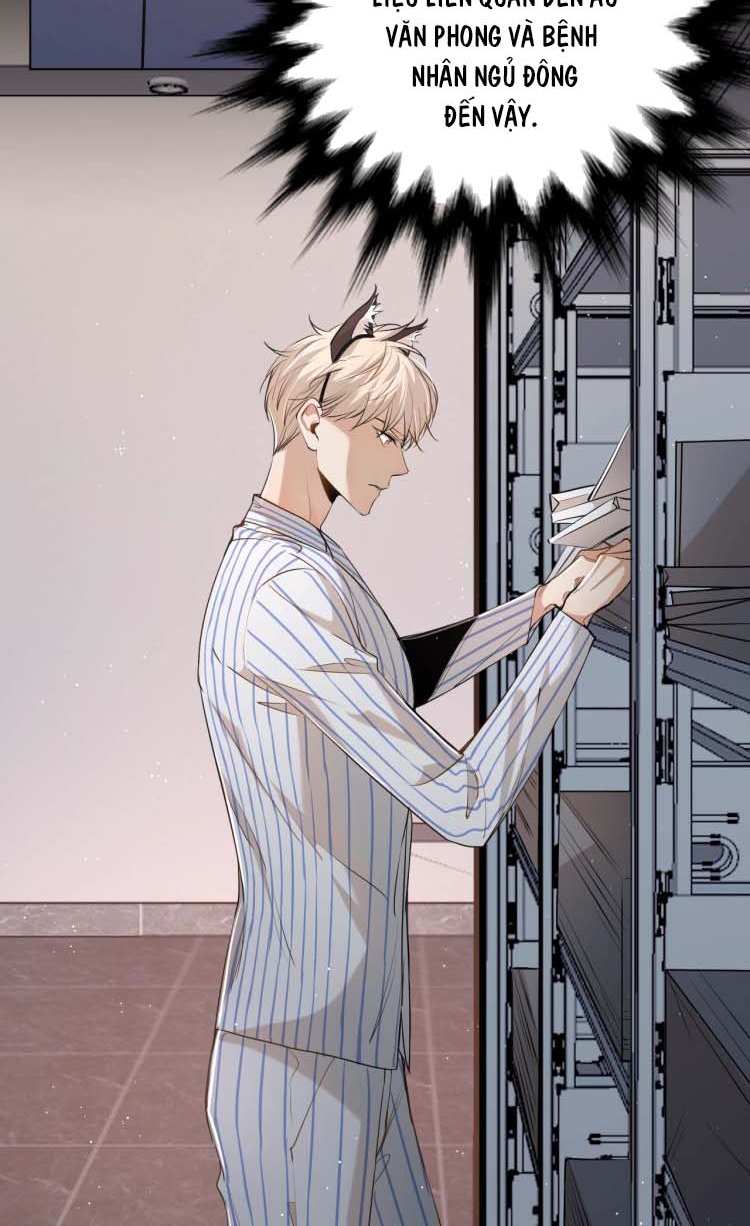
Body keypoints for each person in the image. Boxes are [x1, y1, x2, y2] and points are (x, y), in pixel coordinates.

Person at [197, 289, 629, 1226]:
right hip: (301, 1056)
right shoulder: (280, 589)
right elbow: (465, 803)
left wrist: (540, 606)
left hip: (349, 1039)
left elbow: (391, 673)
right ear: (314, 423)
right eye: (385, 436)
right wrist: (571, 636)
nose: (398, 464)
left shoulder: (304, 559)